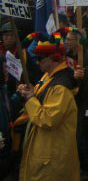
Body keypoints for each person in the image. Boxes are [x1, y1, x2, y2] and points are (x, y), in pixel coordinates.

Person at [17, 34, 80, 181]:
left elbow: (47, 118)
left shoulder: (60, 87)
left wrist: (30, 98)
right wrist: (29, 92)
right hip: (45, 149)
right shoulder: (48, 76)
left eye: (40, 59)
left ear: (54, 58)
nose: (37, 62)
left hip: (52, 155)